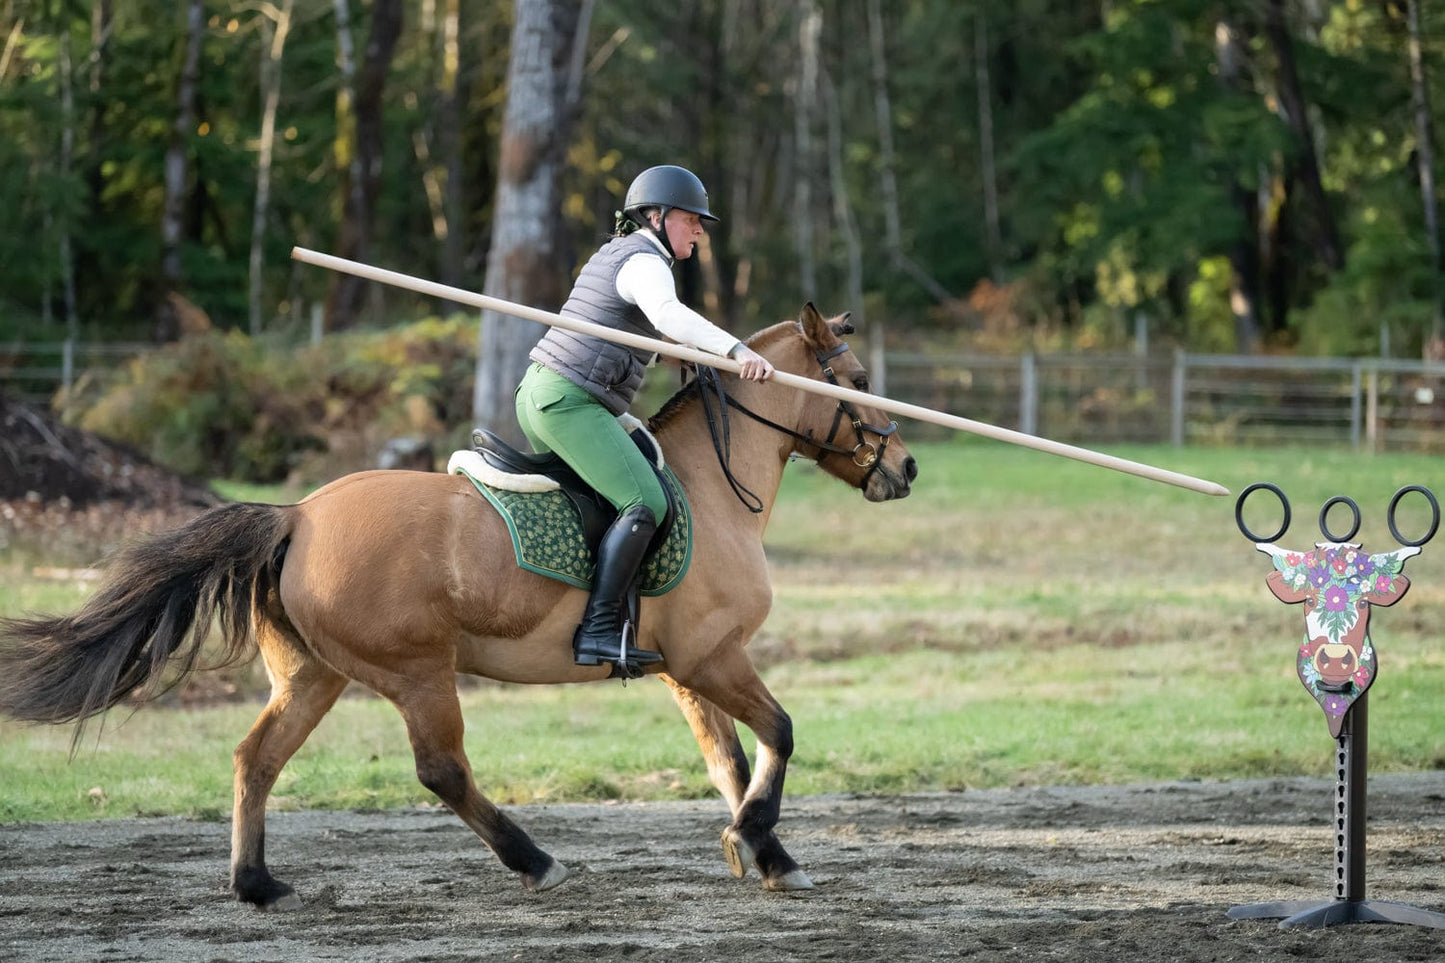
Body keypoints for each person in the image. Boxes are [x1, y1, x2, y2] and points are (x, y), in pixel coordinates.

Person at [515, 164, 774, 671]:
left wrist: (674, 353)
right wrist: (735, 347)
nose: (699, 229)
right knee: (646, 498)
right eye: (690, 219)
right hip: (568, 402)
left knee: (633, 477)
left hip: (547, 393)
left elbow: (615, 333)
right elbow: (669, 315)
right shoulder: (644, 261)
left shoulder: (620, 256)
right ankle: (599, 631)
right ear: (655, 217)